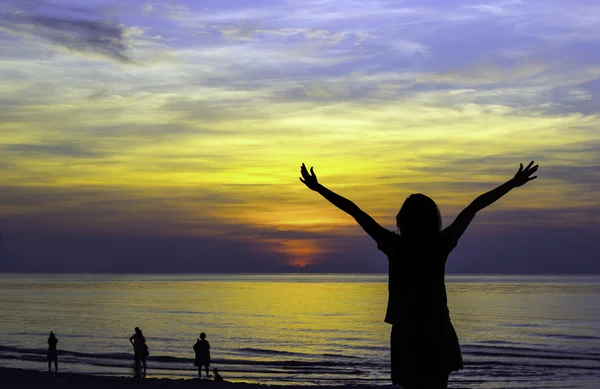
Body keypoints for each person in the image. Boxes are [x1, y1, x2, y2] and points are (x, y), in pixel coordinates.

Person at [299, 161, 539, 389]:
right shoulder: (440, 243)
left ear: (402, 219)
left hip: (408, 331)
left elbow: (355, 211)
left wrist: (319, 188)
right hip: (436, 329)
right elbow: (474, 207)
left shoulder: (395, 244)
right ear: (433, 218)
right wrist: (511, 183)